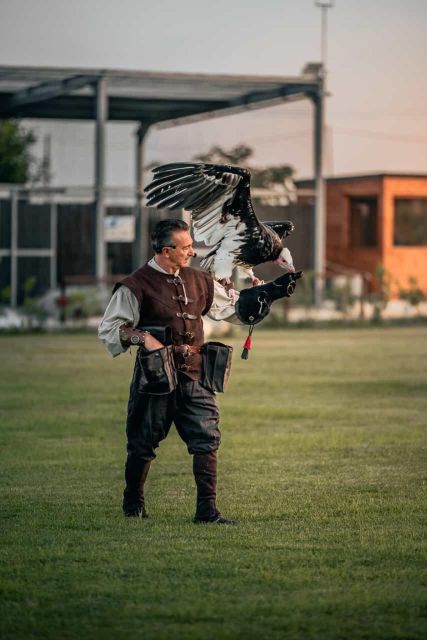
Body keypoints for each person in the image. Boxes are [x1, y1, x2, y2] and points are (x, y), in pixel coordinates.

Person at [98, 218, 301, 525]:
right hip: (155, 377)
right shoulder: (136, 285)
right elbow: (111, 329)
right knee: (142, 441)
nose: (193, 252)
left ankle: (207, 511)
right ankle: (133, 502)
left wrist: (269, 293)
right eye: (187, 247)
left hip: (195, 374)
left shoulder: (199, 279)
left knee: (207, 438)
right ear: (167, 251)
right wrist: (144, 338)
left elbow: (230, 308)